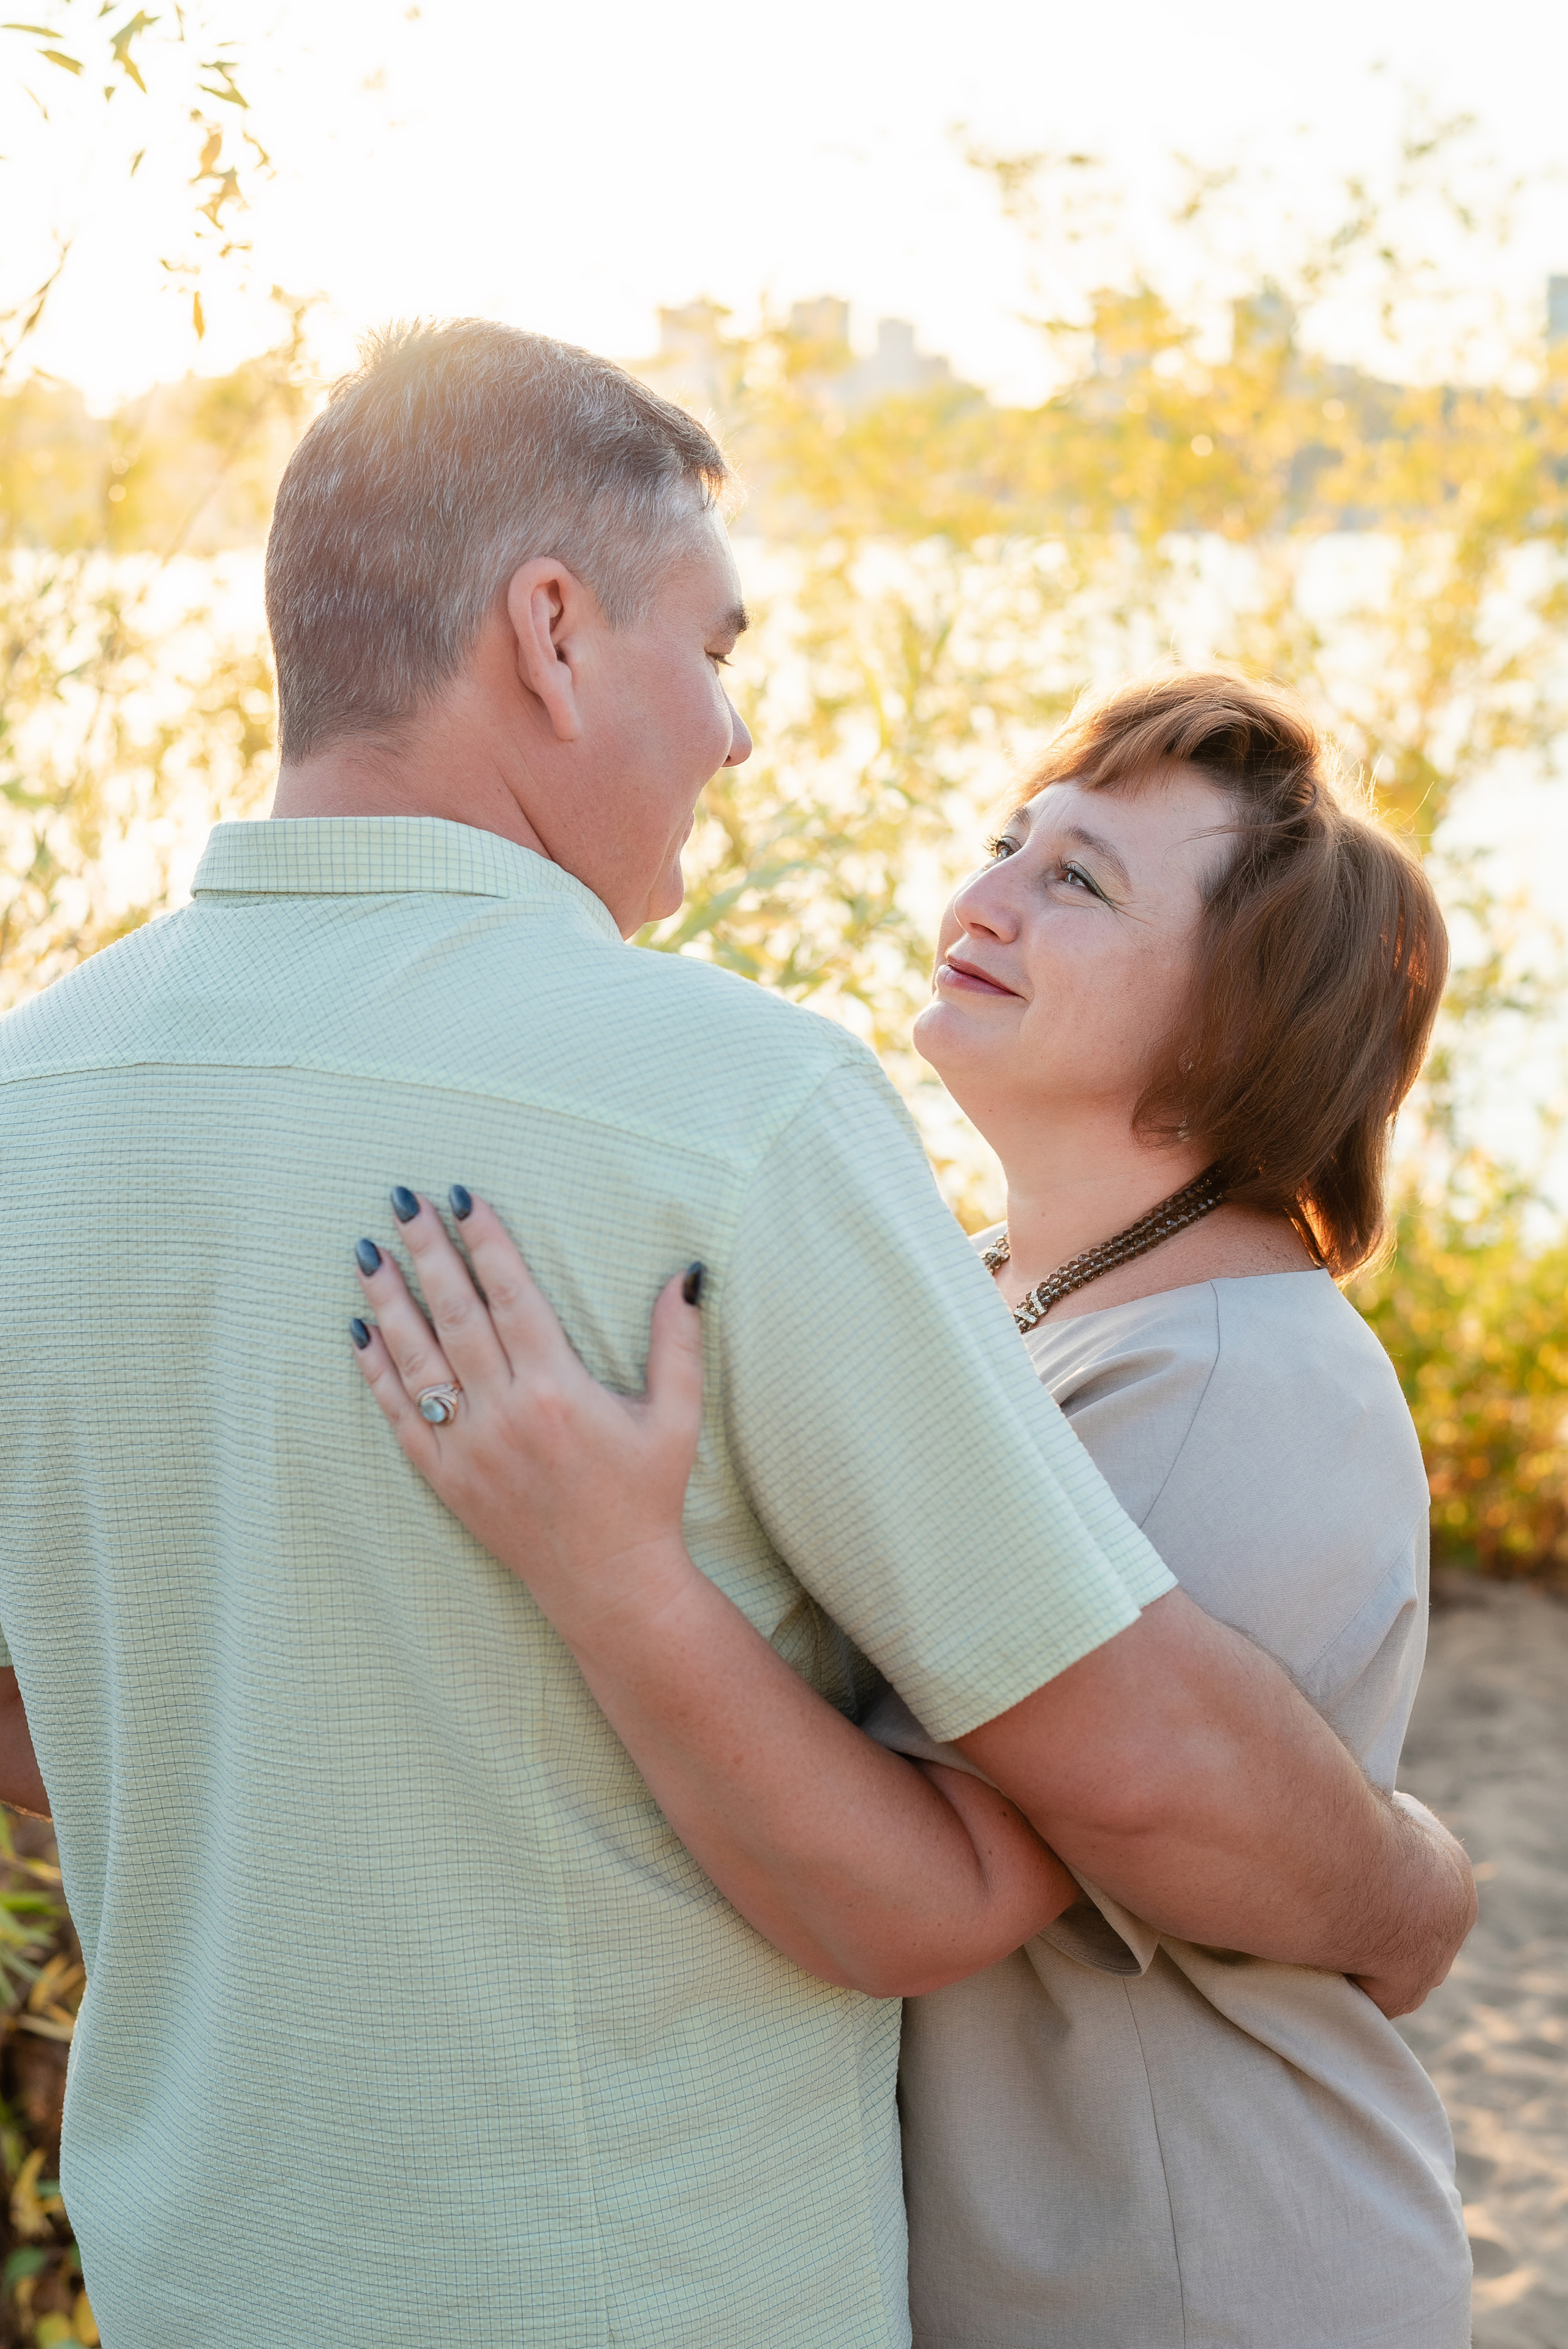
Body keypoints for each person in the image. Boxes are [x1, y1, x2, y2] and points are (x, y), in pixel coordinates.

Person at [0, 317, 1471, 2349]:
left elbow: (49, 1721)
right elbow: (1060, 1810)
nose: (735, 730)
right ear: (551, 632)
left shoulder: (28, 1101)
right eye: (713, 645)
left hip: (208, 2277)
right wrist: (1415, 1890)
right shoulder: (728, 1105)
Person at [350, 669, 1473, 2347]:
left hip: (1189, 2270)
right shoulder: (1001, 1298)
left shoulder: (1227, 1374)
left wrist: (611, 1568)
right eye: (1006, 843)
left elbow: (920, 1885)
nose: (985, 898)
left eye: (1076, 880)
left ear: (1246, 1015)